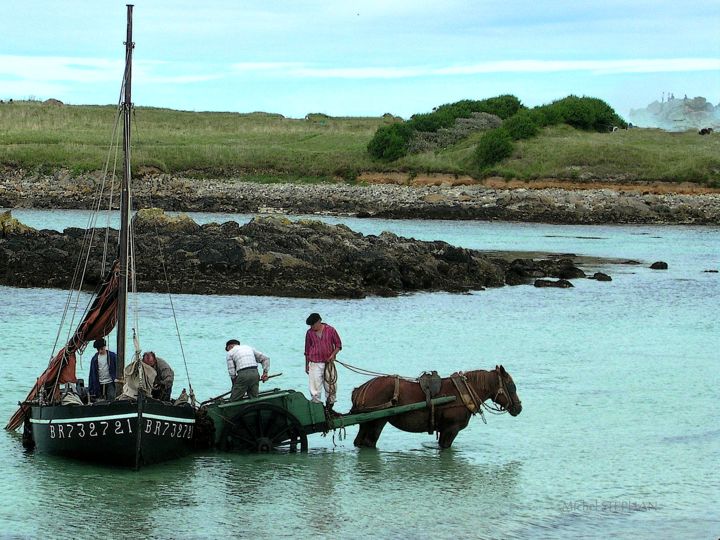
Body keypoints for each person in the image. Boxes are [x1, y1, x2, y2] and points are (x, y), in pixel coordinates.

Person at [304, 313, 342, 412]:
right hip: (314, 363)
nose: (312, 327)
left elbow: (338, 345)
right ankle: (318, 410)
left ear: (319, 321)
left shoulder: (331, 330)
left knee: (331, 386)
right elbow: (307, 350)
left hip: (328, 363)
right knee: (315, 388)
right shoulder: (309, 333)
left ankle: (329, 408)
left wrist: (333, 355)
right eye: (310, 325)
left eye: (313, 325)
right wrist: (306, 365)